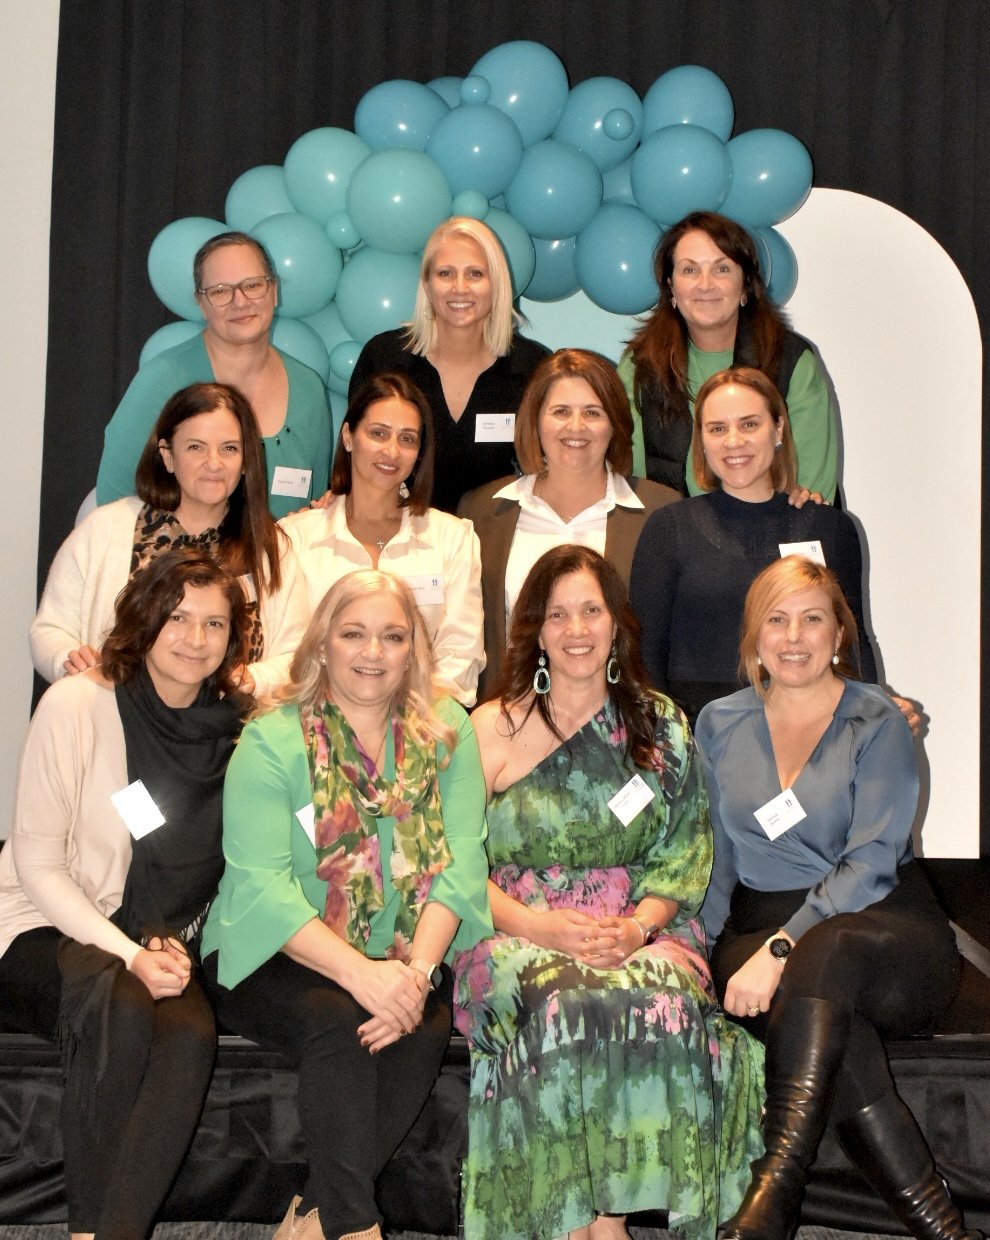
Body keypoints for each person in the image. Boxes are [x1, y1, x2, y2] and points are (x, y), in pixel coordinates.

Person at [454, 545, 764, 1240]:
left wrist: (638, 928)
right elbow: (456, 870)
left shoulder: (661, 727)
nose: (576, 630)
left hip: (642, 930)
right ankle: (585, 1222)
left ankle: (605, 1219)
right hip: (512, 932)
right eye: (557, 614)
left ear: (616, 623)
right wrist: (540, 928)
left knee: (653, 997)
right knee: (567, 999)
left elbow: (684, 853)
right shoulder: (489, 728)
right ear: (534, 629)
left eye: (590, 610)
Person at [201, 570, 492, 1240]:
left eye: (393, 636)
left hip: (398, 954)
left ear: (413, 649)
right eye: (353, 632)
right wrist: (362, 975)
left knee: (419, 1027)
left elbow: (463, 864)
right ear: (322, 643)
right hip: (268, 949)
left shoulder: (447, 729)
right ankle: (355, 1227)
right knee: (340, 1021)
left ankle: (314, 1214)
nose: (373, 652)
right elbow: (262, 886)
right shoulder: (273, 739)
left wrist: (416, 973)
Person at [695, 556, 975, 1240]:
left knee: (828, 953)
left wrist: (781, 948)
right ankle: (944, 1231)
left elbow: (873, 861)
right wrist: (691, 949)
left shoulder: (877, 718)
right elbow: (718, 862)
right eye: (777, 620)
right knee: (829, 1026)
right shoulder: (718, 723)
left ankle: (776, 1186)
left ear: (839, 634)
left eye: (812, 619)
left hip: (882, 928)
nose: (794, 637)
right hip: (757, 926)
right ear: (754, 636)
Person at [0, 549, 250, 1240]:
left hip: (163, 940)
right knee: (121, 1006)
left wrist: (172, 945)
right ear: (144, 617)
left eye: (215, 624)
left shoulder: (238, 728)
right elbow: (39, 865)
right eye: (177, 617)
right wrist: (130, 953)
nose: (195, 639)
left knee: (191, 1037)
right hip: (44, 923)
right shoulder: (79, 703)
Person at [630, 366, 875, 725]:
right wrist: (662, 744)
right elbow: (645, 654)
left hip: (811, 731)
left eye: (749, 424)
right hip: (701, 738)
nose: (734, 441)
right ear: (701, 440)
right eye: (717, 428)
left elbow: (854, 643)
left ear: (777, 429)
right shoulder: (668, 529)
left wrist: (873, 721)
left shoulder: (829, 527)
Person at [32, 381, 308, 698]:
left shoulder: (271, 547)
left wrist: (255, 679)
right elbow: (49, 630)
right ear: (167, 456)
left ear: (246, 461)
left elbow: (297, 656)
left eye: (229, 448)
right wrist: (66, 658)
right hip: (117, 726)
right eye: (196, 447)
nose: (214, 463)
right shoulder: (106, 529)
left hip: (231, 739)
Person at [458, 348, 679, 698]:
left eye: (593, 412)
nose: (576, 426)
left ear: (615, 424)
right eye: (560, 411)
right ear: (535, 421)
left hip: (622, 727)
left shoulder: (661, 512)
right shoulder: (482, 511)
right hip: (508, 725)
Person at [96, 230, 332, 517]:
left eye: (253, 285)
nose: (240, 301)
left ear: (274, 291)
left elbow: (315, 507)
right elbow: (113, 506)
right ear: (200, 302)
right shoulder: (162, 381)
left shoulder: (308, 389)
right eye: (220, 291)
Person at [282, 372, 485, 706]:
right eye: (378, 434)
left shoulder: (453, 539)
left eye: (407, 439)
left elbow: (460, 659)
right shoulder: (294, 539)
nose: (391, 451)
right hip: (315, 728)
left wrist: (404, 730)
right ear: (348, 436)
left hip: (420, 732)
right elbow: (287, 655)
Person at [618, 211, 837, 500]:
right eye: (689, 270)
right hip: (672, 537)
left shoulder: (791, 360)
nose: (705, 284)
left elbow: (811, 492)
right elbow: (628, 483)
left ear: (745, 283)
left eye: (722, 269)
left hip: (774, 535)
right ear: (670, 286)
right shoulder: (640, 365)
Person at [348, 216, 550, 513]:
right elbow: (353, 462)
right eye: (445, 273)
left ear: (497, 285)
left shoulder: (532, 368)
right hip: (398, 539)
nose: (459, 288)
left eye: (475, 274)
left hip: (493, 544)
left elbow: (548, 472)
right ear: (427, 285)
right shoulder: (385, 358)